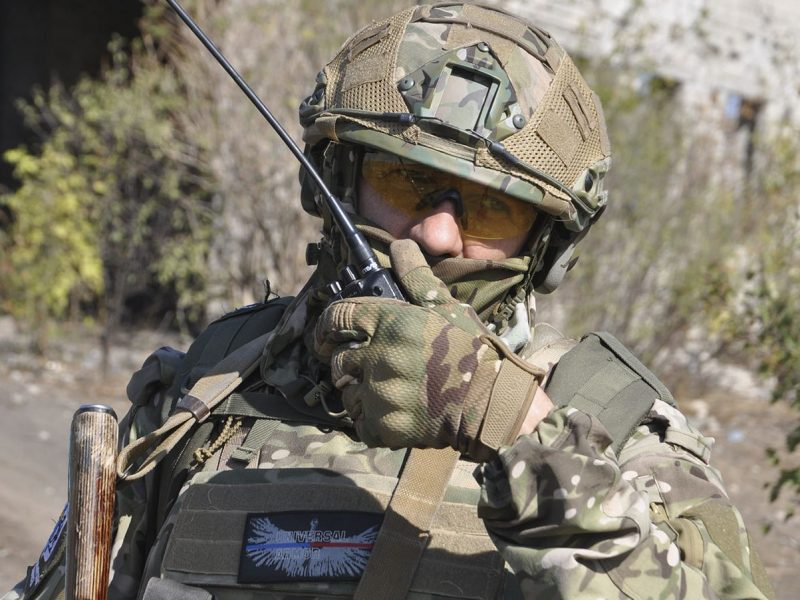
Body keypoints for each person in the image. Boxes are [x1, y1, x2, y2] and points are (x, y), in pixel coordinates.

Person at [6, 4, 774, 599]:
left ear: (546, 247)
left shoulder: (612, 425)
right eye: (405, 183)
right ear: (335, 183)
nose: (437, 234)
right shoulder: (215, 386)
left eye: (490, 209)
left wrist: (512, 426)